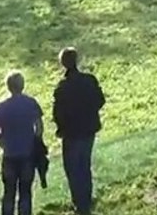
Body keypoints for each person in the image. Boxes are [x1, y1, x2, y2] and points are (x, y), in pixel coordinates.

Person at [52, 48, 105, 215]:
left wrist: (62, 127)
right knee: (85, 165)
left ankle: (79, 204)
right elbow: (100, 100)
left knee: (73, 169)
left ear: (62, 64)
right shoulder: (89, 80)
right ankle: (87, 201)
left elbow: (57, 113)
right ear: (77, 60)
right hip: (88, 130)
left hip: (71, 134)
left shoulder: (62, 87)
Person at [0, 72, 43, 215]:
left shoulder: (0, 107)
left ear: (8, 86)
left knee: (9, 192)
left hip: (9, 154)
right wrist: (34, 141)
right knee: (25, 192)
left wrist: (3, 143)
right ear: (23, 85)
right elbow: (39, 127)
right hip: (27, 153)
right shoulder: (31, 103)